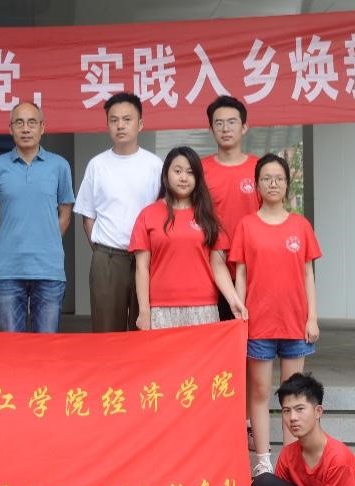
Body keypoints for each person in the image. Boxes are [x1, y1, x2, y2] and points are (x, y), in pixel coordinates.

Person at [230, 154, 321, 477]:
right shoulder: (246, 225)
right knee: (258, 392)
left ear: (287, 184)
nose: (273, 184)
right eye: (266, 178)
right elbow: (241, 273)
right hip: (259, 323)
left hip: (295, 323)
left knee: (292, 395)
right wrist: (240, 314)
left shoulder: (300, 225)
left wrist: (312, 317)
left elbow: (308, 273)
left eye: (279, 178)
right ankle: (263, 459)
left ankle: (290, 460)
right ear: (257, 185)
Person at [129, 146, 245, 330]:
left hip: (204, 307)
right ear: (166, 174)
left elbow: (217, 265)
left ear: (198, 178)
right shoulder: (148, 215)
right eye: (177, 171)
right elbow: (142, 268)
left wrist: (233, 300)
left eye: (190, 173)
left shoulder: (208, 216)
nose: (183, 178)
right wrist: (144, 311)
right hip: (161, 309)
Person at [74, 92, 163, 332]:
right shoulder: (97, 165)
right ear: (107, 125)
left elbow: (163, 213)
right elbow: (87, 217)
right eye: (114, 120)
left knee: (144, 329)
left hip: (148, 259)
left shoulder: (155, 165)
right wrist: (102, 251)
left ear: (140, 124)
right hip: (108, 258)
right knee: (106, 331)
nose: (120, 125)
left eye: (127, 119)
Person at [0, 102, 74, 332]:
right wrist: (14, 236)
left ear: (42, 128)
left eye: (32, 123)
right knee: (10, 345)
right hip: (8, 270)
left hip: (49, 269)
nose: (26, 129)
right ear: (10, 128)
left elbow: (65, 215)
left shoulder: (60, 166)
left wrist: (46, 238)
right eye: (19, 123)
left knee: (46, 345)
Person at [201, 95, 262, 322]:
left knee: (252, 333)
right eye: (219, 123)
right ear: (211, 130)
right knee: (217, 335)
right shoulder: (199, 170)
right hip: (211, 269)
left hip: (253, 267)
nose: (225, 128)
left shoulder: (260, 168)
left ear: (244, 127)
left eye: (232, 122)